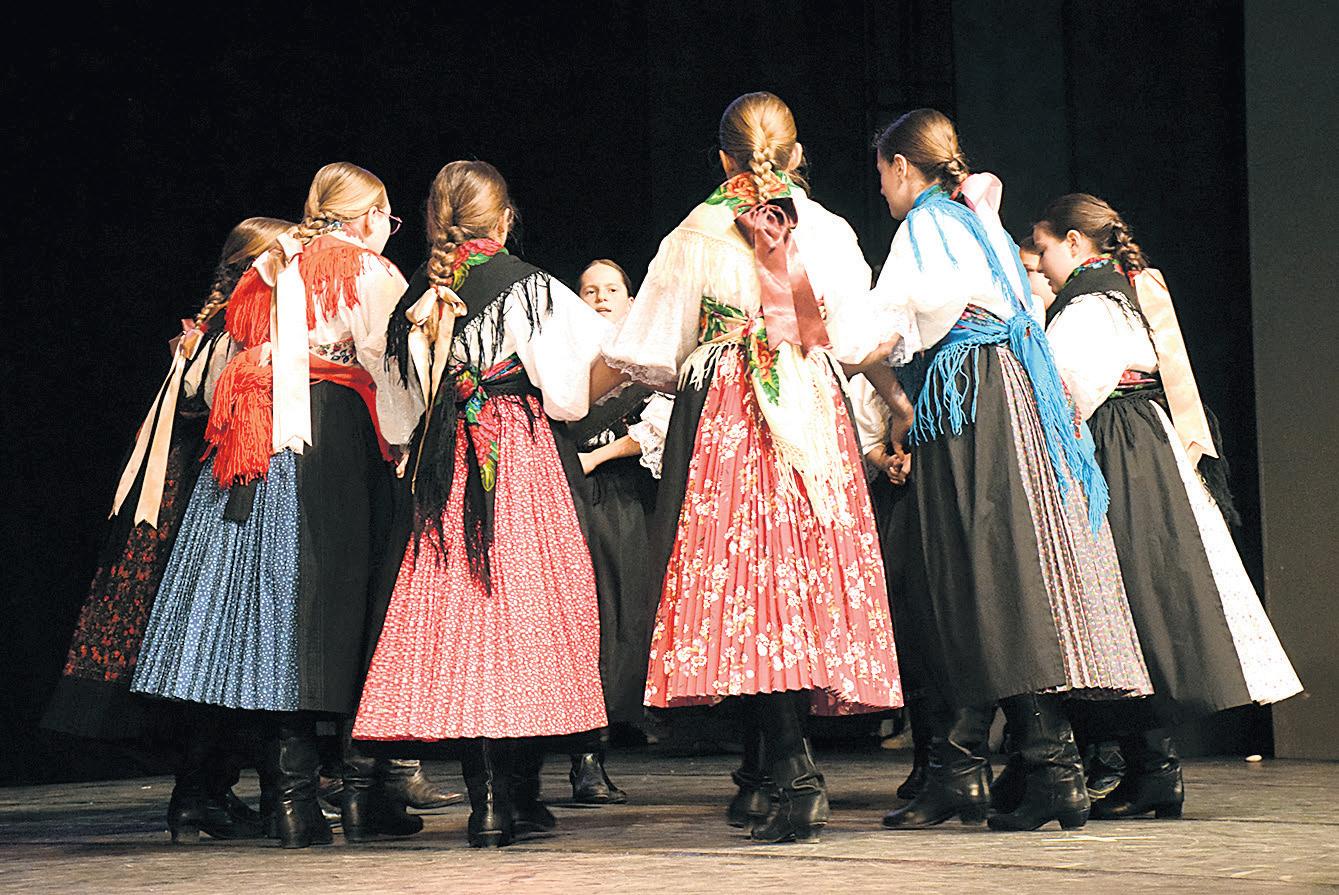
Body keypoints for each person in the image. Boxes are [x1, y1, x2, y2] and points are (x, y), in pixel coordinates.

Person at [602, 92, 905, 844]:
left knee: (745, 583)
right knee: (796, 580)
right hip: (812, 406)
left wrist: (716, 350)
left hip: (730, 413)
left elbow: (652, 350)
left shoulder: (694, 232)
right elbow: (860, 339)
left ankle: (790, 772)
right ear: (796, 155)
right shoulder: (828, 228)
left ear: (722, 158)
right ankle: (769, 769)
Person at [861, 109, 1152, 833]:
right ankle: (1035, 768)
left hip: (970, 397)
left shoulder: (927, 224)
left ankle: (999, 769)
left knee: (972, 576)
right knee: (997, 573)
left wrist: (877, 382)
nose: (883, 188)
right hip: (1012, 389)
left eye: (882, 173)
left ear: (902, 167)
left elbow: (873, 334)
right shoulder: (975, 219)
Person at [131, 162, 424, 849]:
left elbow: (228, 356)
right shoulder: (371, 272)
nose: (388, 229)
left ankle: (291, 803)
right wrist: (410, 441)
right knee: (348, 609)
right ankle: (359, 795)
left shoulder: (270, 266)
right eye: (387, 216)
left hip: (250, 451)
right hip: (330, 439)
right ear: (366, 215)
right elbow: (392, 369)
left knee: (273, 614)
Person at [352, 161, 612, 848]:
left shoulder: (415, 295)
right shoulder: (530, 288)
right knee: (524, 617)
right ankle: (515, 795)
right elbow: (569, 397)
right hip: (515, 458)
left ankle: (489, 802)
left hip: (445, 468)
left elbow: (398, 415)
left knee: (462, 621)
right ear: (503, 220)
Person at [1033, 192, 1303, 818]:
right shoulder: (1118, 293)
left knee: (1129, 599)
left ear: (1074, 242)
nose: (1042, 263)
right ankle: (1152, 768)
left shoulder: (1089, 305)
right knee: (1133, 602)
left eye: (1044, 248)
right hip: (1139, 443)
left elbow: (1070, 388)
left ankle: (1153, 767)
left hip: (1119, 448)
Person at [43, 217, 291, 843]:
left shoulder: (223, 324)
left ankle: (211, 793)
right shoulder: (236, 325)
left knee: (212, 653)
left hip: (197, 494)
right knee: (215, 649)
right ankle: (205, 795)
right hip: (200, 502)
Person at [563, 258, 673, 805]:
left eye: (611, 289)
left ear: (631, 300)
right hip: (569, 495)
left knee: (620, 615)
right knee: (577, 617)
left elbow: (660, 424)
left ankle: (598, 746)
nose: (602, 297)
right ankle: (577, 750)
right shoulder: (565, 355)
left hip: (625, 497)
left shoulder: (648, 357)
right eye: (590, 290)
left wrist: (595, 457)